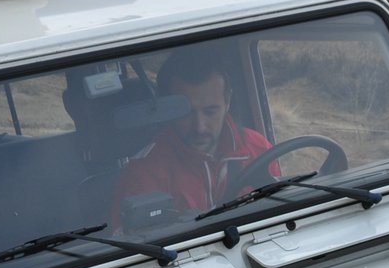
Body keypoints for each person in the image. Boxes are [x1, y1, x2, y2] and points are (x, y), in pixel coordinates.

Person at [115, 47, 274, 217]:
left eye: (210, 111)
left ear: (227, 101)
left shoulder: (258, 148)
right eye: (187, 113)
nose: (200, 127)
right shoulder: (143, 172)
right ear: (168, 108)